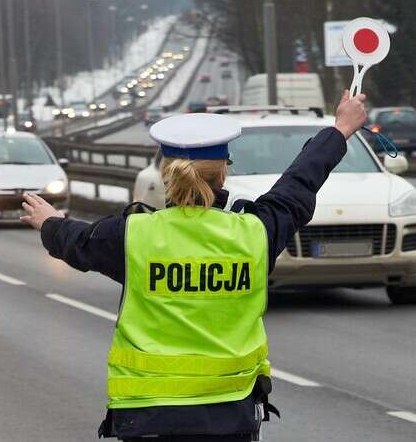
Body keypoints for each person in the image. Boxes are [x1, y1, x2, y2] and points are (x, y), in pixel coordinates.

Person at [21, 90, 368, 442]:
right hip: (230, 416)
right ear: (222, 174)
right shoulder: (254, 234)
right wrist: (339, 129)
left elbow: (78, 242)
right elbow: (297, 185)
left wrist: (49, 222)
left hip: (147, 417)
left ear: (166, 175)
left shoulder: (132, 236)